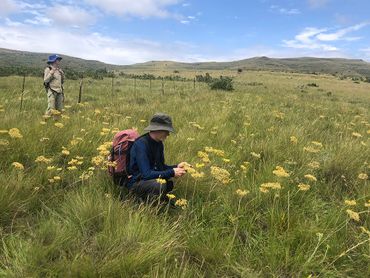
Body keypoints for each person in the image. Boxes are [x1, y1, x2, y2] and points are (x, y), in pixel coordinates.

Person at [127, 113, 188, 203]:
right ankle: (147, 206)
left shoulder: (159, 143)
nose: (168, 134)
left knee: (168, 182)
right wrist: (172, 172)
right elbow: (146, 174)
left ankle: (160, 202)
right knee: (159, 184)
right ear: (157, 130)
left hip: (147, 180)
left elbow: (161, 167)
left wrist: (177, 167)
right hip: (136, 183)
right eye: (166, 131)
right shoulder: (141, 144)